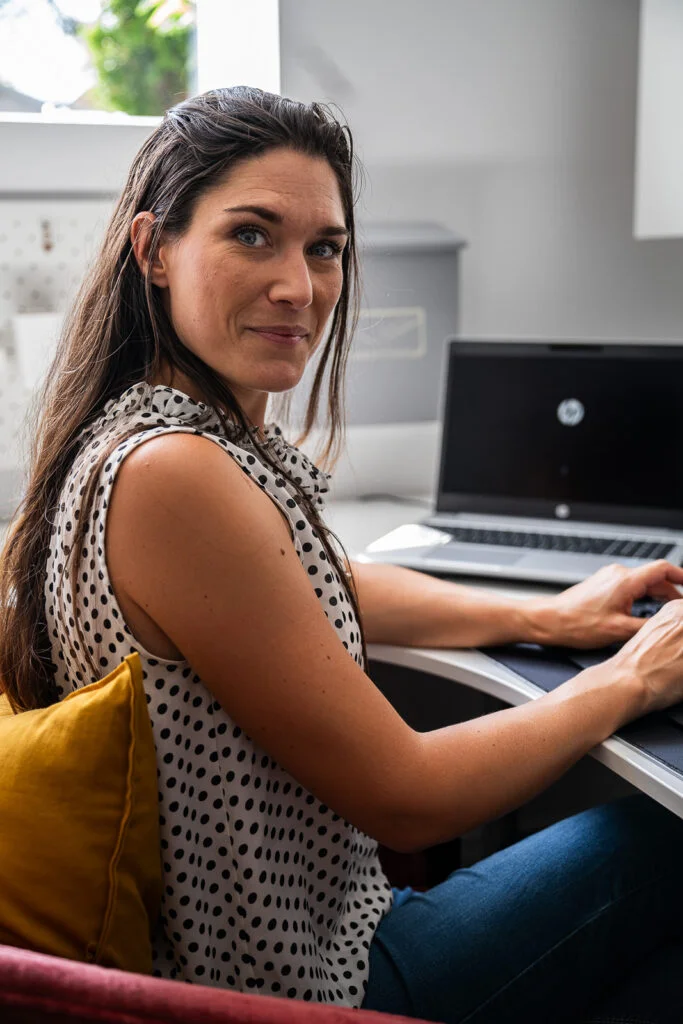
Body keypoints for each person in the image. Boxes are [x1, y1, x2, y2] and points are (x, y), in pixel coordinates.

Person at [2, 87, 683, 1024]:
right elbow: (407, 798)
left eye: (323, 247)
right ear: (154, 250)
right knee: (664, 844)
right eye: (252, 235)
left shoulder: (143, 433)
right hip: (302, 986)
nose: (300, 285)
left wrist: (542, 615)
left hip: (298, 936)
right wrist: (629, 680)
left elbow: (311, 590)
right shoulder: (178, 477)